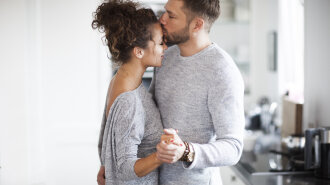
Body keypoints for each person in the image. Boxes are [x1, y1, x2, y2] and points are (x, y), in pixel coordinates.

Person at [149, 0, 245, 184]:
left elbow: (233, 147)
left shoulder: (222, 71)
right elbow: (149, 112)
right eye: (164, 12)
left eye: (171, 15)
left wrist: (185, 151)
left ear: (197, 24)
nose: (162, 19)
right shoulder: (165, 56)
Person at [92, 0, 168, 184]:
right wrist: (163, 154)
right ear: (139, 52)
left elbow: (105, 141)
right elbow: (126, 169)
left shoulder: (119, 80)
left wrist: (106, 166)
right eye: (159, 42)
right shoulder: (129, 100)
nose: (165, 47)